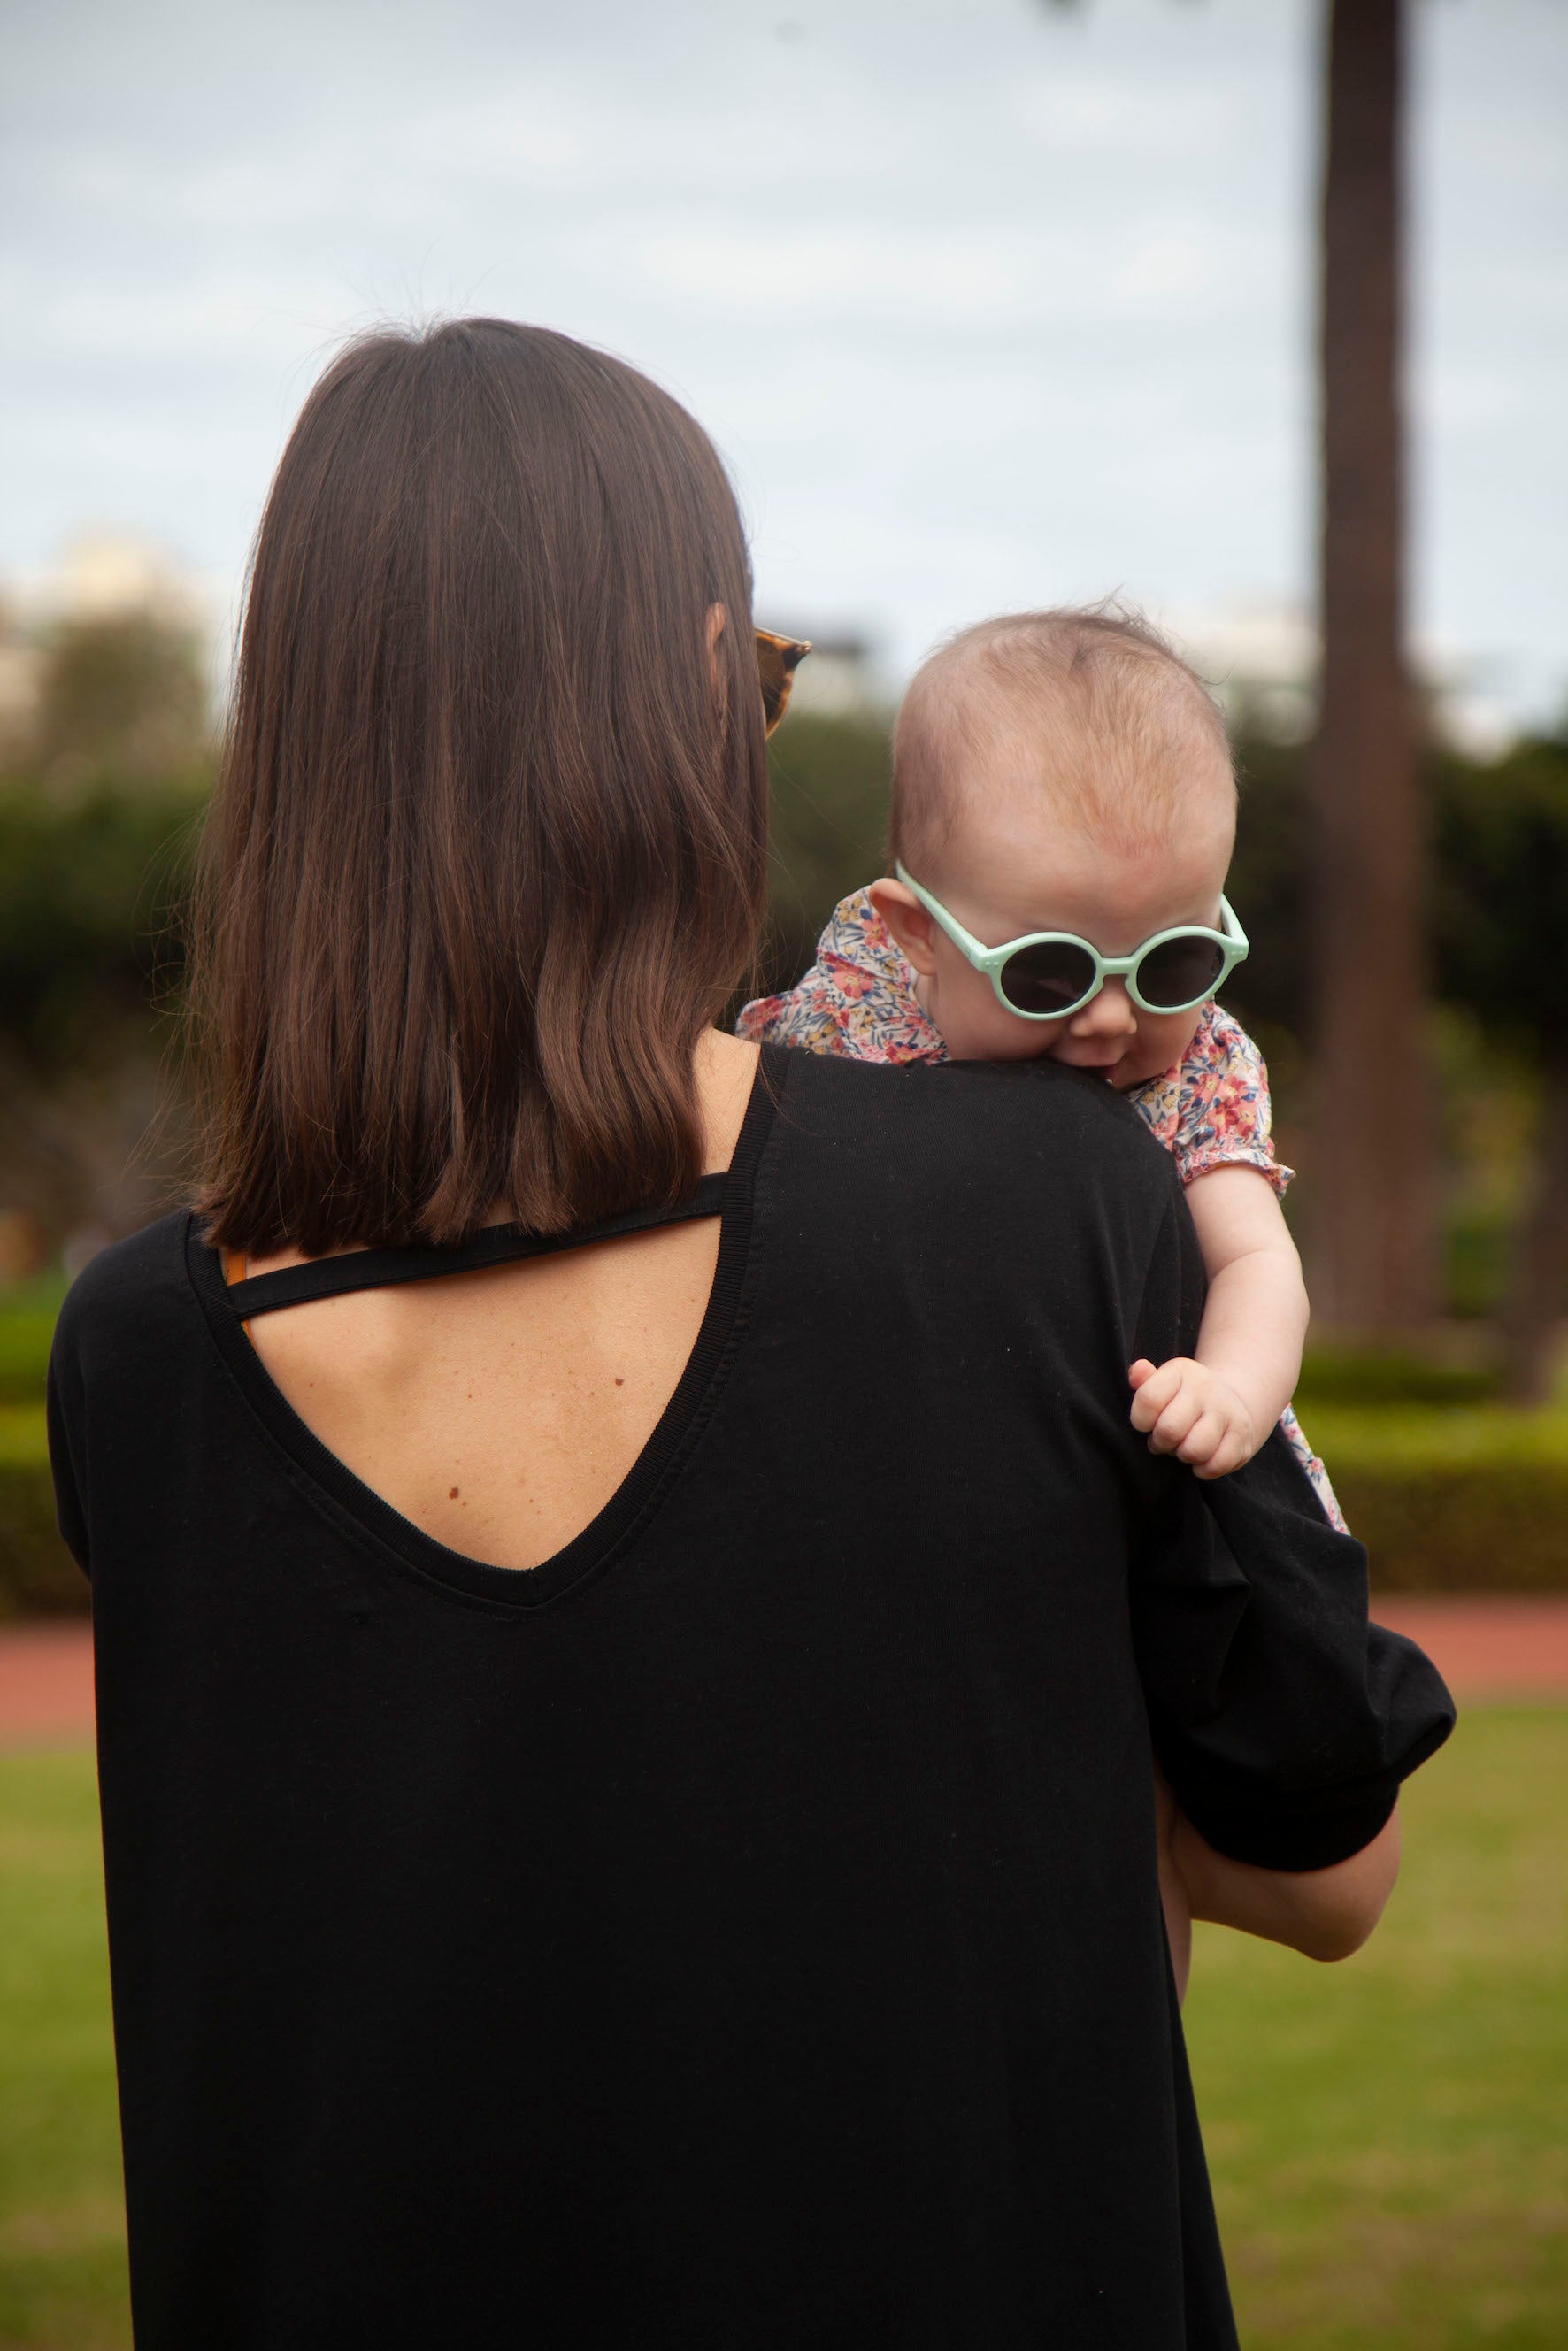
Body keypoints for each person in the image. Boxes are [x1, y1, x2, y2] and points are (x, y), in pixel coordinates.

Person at [47, 319, 1452, 2350]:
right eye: (769, 681)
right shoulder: (1042, 1203)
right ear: (707, 693)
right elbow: (1331, 1861)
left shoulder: (135, 1352)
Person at [741, 605, 1339, 1518]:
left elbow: (1256, 1259)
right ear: (918, 935)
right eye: (1046, 971)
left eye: (1170, 962)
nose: (1108, 1019)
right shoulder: (847, 1015)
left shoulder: (1199, 1064)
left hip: (1134, 1478)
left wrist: (1228, 1391)